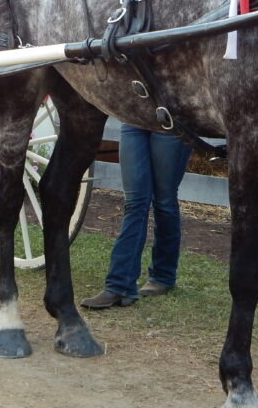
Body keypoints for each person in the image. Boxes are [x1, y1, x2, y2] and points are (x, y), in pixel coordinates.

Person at [81, 123, 193, 309]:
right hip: (133, 120)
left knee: (164, 201)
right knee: (134, 203)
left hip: (170, 122)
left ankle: (163, 276)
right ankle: (119, 286)